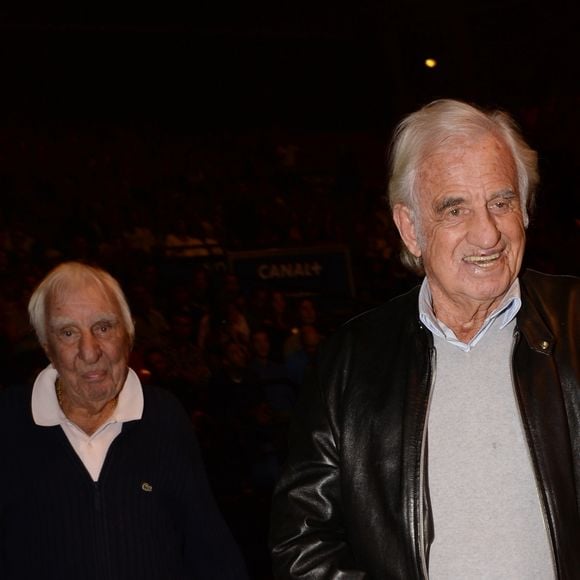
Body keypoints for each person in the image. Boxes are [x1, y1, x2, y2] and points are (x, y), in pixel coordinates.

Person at [270, 100, 580, 578]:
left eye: (501, 202)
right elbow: (303, 543)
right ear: (410, 229)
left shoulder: (577, 325)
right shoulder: (350, 362)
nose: (488, 234)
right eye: (455, 209)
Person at [0, 261, 248, 579]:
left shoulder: (165, 416)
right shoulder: (8, 423)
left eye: (103, 327)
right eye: (68, 332)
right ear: (48, 347)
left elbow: (208, 546)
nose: (89, 351)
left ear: (128, 335)